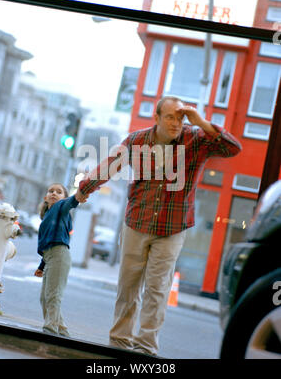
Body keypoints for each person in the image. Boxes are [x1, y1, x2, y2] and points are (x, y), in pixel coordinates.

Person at [78, 96, 242, 355]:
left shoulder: (196, 139)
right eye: (170, 117)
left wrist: (199, 121)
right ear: (156, 118)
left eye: (180, 117)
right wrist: (82, 191)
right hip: (137, 222)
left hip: (172, 228)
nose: (176, 123)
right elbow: (109, 166)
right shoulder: (136, 141)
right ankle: (119, 343)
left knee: (157, 290)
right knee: (128, 287)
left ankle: (145, 349)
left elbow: (232, 148)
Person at [34, 183, 88, 336]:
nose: (54, 193)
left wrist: (81, 191)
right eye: (51, 191)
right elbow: (47, 242)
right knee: (44, 298)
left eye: (59, 192)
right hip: (49, 257)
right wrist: (41, 266)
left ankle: (50, 329)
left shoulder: (61, 207)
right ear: (46, 197)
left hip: (59, 255)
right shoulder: (46, 217)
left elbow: (72, 201)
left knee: (53, 295)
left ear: (63, 198)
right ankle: (62, 331)